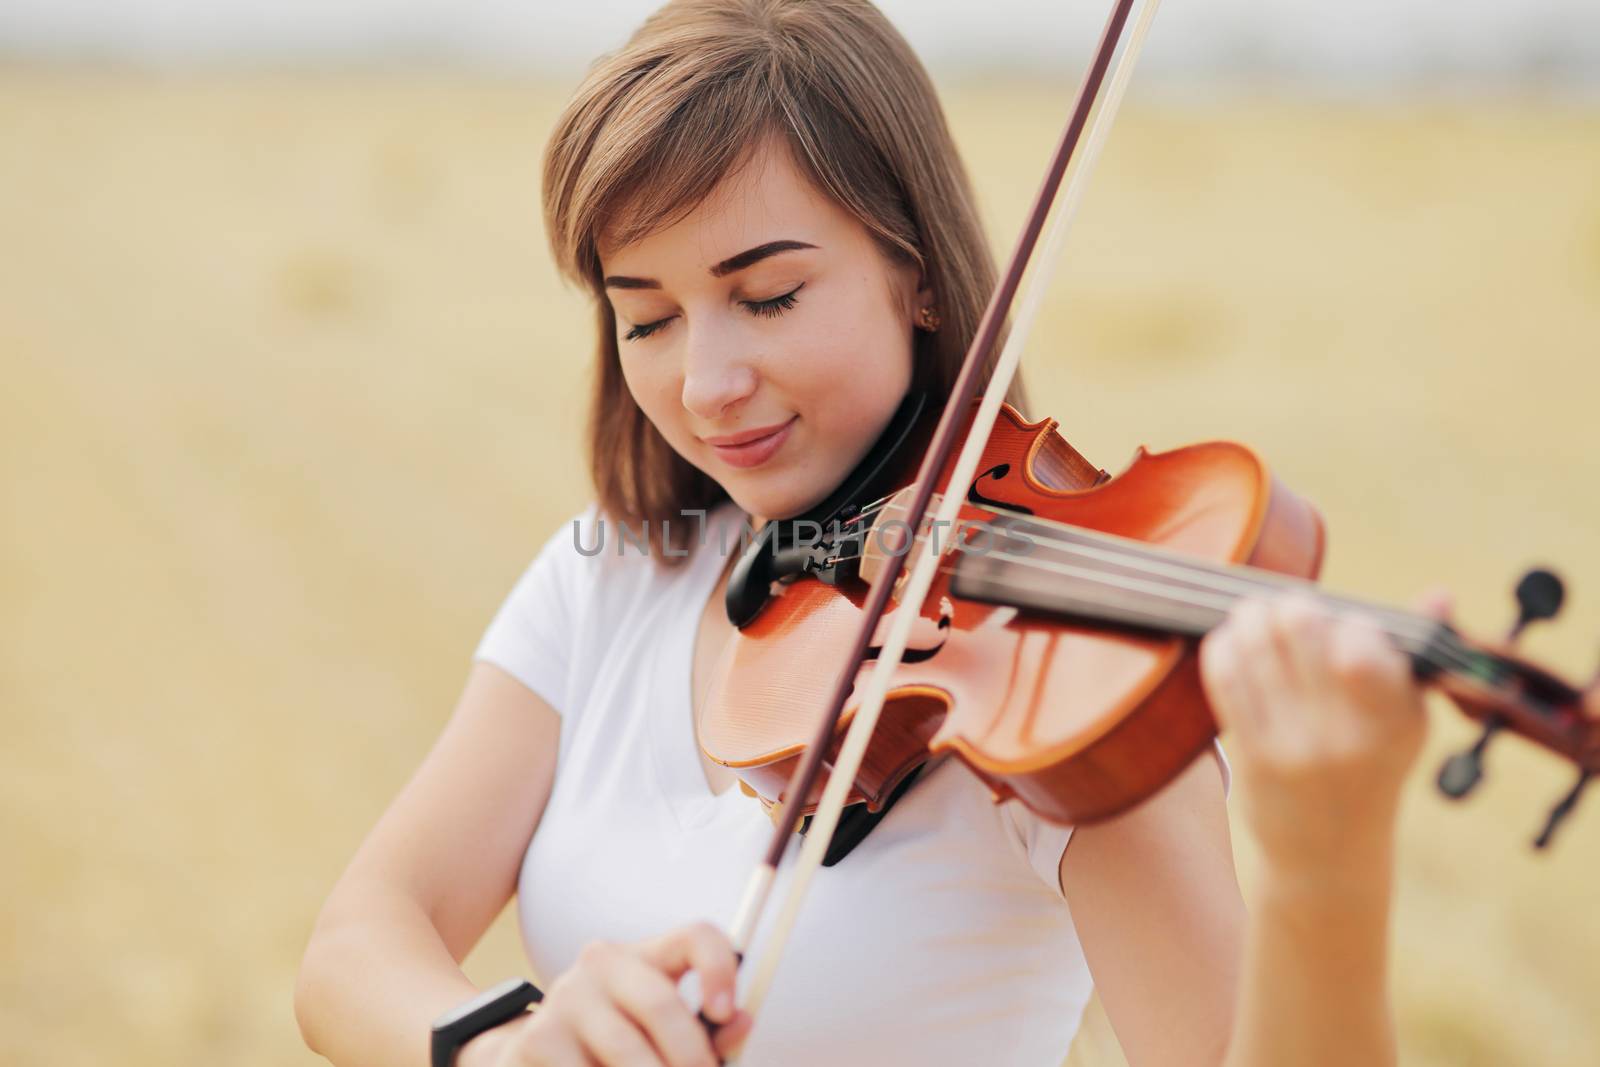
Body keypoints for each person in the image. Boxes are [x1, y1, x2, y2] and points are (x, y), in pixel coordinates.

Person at [294, 3, 1441, 1065]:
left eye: (769, 295)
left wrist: (1325, 873)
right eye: (645, 315)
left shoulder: (1054, 697)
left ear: (924, 280)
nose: (704, 382)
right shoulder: (610, 574)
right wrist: (508, 1051)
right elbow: (358, 939)